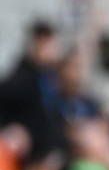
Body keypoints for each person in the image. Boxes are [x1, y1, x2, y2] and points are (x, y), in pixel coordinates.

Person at [0, 21, 66, 160]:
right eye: (51, 46)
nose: (55, 51)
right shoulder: (21, 79)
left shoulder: (49, 77)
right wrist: (8, 129)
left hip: (52, 153)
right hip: (30, 158)